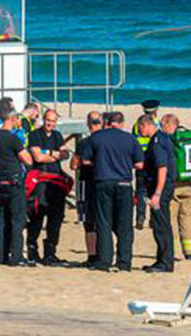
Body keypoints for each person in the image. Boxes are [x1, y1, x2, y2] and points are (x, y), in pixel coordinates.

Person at [82, 111, 144, 271]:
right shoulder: (130, 138)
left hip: (103, 181)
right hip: (124, 183)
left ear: (107, 122)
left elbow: (86, 160)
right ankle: (124, 262)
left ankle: (104, 260)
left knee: (103, 222)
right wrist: (123, 164)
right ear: (122, 123)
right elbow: (139, 164)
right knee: (125, 224)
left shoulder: (96, 137)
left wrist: (101, 163)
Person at [26, 109, 71, 266]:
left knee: (56, 218)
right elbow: (37, 156)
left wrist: (49, 153)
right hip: (40, 181)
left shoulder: (57, 135)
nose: (49, 123)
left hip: (56, 181)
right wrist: (54, 153)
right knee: (37, 215)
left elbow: (66, 154)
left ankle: (50, 252)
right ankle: (32, 250)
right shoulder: (35, 135)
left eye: (52, 121)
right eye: (47, 120)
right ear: (43, 119)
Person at [0, 109, 34, 266]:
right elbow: (27, 159)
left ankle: (2, 255)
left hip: (1, 179)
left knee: (3, 217)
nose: (19, 122)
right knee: (17, 219)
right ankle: (16, 256)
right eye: (18, 119)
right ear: (13, 119)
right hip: (14, 180)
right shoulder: (12, 138)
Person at [139, 114, 175, 272]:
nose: (139, 131)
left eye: (140, 127)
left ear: (145, 125)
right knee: (159, 224)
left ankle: (165, 262)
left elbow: (162, 168)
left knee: (161, 225)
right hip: (159, 187)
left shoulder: (158, 142)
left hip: (161, 188)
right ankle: (161, 259)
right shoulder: (158, 139)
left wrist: (157, 194)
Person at [159, 114, 191, 260]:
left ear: (169, 125)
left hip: (173, 184)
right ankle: (190, 252)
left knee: (170, 219)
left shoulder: (169, 140)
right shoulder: (187, 137)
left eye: (162, 125)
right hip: (188, 183)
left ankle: (171, 251)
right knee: (187, 218)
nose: (161, 128)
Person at [71, 111, 103, 267]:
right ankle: (103, 253)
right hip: (102, 182)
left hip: (87, 182)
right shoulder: (106, 141)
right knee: (102, 219)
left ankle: (92, 255)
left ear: (88, 124)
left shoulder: (85, 143)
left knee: (89, 221)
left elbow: (74, 164)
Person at [132, 99, 161, 230]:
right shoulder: (156, 124)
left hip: (140, 160)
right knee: (154, 190)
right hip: (153, 161)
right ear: (156, 110)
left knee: (141, 191)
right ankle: (153, 219)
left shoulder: (136, 124)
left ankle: (140, 217)